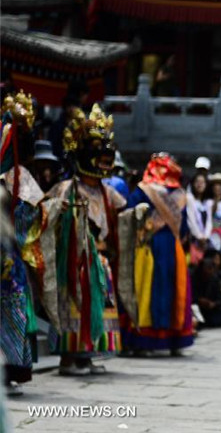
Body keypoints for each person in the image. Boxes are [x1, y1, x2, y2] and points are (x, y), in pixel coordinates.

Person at [39, 104, 126, 376]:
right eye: (97, 147)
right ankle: (68, 358)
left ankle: (87, 356)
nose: (105, 155)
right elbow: (46, 217)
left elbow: (119, 217)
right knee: (73, 309)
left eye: (107, 147)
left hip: (99, 260)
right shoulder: (66, 189)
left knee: (98, 309)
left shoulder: (107, 192)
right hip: (74, 262)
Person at [123, 154, 194, 355]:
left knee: (148, 290)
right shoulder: (179, 193)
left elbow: (130, 214)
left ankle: (146, 341)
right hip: (173, 246)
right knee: (175, 291)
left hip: (149, 246)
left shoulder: (143, 190)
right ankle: (175, 340)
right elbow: (185, 227)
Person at [0, 92, 42, 394]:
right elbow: (29, 220)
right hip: (9, 254)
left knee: (13, 310)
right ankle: (11, 370)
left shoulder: (18, 178)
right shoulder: (18, 178)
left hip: (9, 255)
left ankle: (12, 370)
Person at [185, 173, 211, 267]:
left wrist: (206, 236)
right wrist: (199, 236)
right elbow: (191, 220)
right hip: (194, 241)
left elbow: (209, 221)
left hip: (205, 242)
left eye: (202, 182)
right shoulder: (189, 198)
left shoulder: (207, 202)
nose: (200, 184)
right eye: (197, 182)